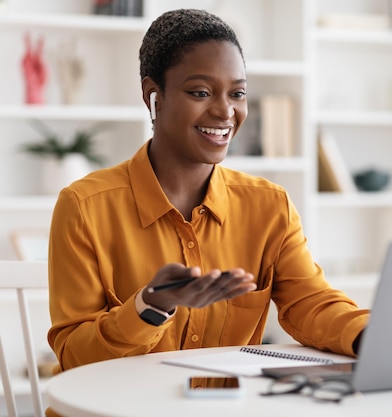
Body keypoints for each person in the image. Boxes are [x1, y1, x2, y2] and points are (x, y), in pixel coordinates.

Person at [47, 8, 368, 384]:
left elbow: (310, 305)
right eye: (200, 92)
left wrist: (370, 336)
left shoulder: (270, 206)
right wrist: (150, 306)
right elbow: (74, 355)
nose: (225, 111)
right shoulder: (85, 207)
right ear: (154, 96)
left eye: (238, 93)